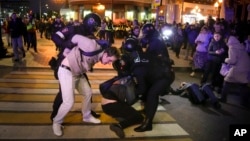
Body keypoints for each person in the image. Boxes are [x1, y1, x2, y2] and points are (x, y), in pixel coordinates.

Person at [52, 35, 120, 136]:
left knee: (87, 93)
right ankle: (57, 122)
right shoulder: (91, 46)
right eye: (109, 60)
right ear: (105, 54)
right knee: (69, 102)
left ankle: (87, 116)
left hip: (78, 73)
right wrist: (66, 49)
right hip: (67, 71)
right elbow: (75, 37)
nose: (109, 63)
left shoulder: (100, 54)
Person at [50, 13, 103, 121]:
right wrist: (66, 44)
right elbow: (55, 36)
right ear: (90, 22)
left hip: (79, 65)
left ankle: (87, 111)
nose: (96, 29)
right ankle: (55, 112)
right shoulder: (73, 29)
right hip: (65, 62)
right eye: (95, 26)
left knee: (87, 90)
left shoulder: (90, 35)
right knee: (63, 92)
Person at [219, 35, 250, 108]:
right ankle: (244, 102)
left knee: (227, 82)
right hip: (246, 67)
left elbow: (233, 61)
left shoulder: (232, 47)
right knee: (243, 85)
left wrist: (226, 59)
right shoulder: (240, 46)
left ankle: (223, 98)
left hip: (238, 68)